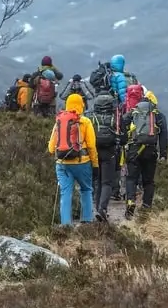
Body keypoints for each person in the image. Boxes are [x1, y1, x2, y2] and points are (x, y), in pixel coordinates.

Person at [48, 93, 98, 225]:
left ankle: (66, 224)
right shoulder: (85, 121)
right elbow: (92, 146)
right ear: (81, 105)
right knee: (86, 189)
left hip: (62, 163)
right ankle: (86, 220)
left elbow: (51, 148)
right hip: (82, 162)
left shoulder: (59, 121)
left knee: (65, 193)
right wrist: (95, 164)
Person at [121, 92, 168, 220]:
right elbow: (163, 135)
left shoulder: (133, 112)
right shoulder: (158, 114)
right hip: (150, 150)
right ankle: (146, 208)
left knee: (131, 178)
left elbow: (122, 124)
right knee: (148, 181)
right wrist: (163, 154)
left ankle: (130, 201)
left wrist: (124, 141)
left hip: (134, 150)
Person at [86, 93, 121, 222]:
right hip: (110, 152)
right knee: (107, 182)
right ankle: (103, 209)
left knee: (97, 181)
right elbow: (122, 138)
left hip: (94, 152)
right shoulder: (115, 118)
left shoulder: (90, 117)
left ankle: (97, 209)